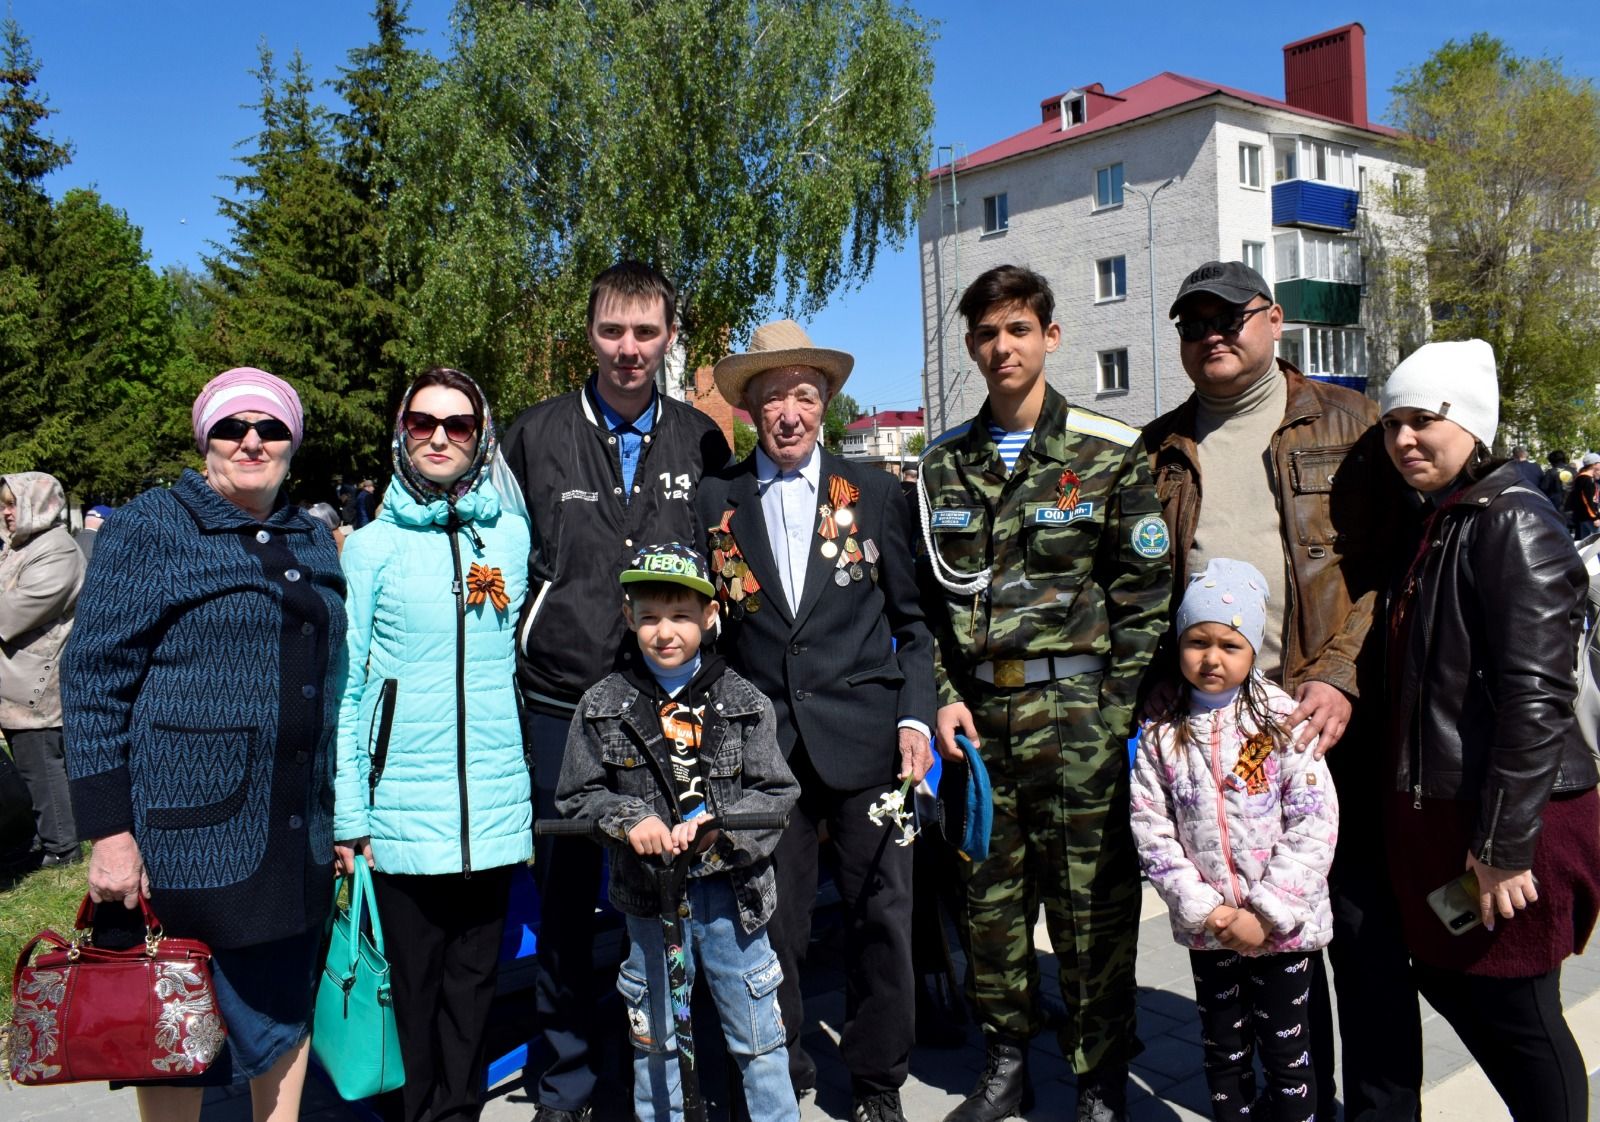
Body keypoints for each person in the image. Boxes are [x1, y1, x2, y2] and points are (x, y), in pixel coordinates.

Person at [1143, 260, 1413, 1122]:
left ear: (1275, 321)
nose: (1212, 335)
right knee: (1269, 946)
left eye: (1230, 317)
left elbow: (1393, 572)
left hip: (1329, 721)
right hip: (1225, 733)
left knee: (1364, 941)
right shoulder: (1160, 449)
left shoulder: (1352, 423)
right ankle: (1304, 1104)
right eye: (1193, 323)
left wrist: (1339, 676)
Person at [918, 266, 1169, 1122]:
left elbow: (1145, 592)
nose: (1003, 347)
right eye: (987, 334)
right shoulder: (942, 466)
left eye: (1018, 330)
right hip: (981, 726)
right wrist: (947, 695)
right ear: (971, 346)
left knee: (1093, 905)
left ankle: (1099, 1082)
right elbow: (932, 606)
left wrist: (1118, 708)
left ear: (1050, 337)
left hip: (1078, 723)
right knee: (988, 906)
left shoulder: (1108, 451)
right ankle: (1005, 1064)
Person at [62, 367, 346, 1122]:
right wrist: (110, 835)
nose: (251, 441)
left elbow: (335, 680)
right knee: (172, 1028)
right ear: (205, 438)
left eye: (271, 428)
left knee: (283, 1017)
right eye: (232, 427)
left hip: (292, 836)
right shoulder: (152, 526)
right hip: (182, 844)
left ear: (292, 443)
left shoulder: (311, 536)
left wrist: (340, 814)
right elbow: (93, 680)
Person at [502, 260, 731, 1122]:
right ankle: (562, 1087)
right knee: (561, 911)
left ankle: (676, 1079)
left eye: (646, 332)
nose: (628, 350)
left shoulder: (703, 439)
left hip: (664, 706)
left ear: (670, 337)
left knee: (675, 897)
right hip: (559, 706)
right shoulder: (532, 436)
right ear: (587, 334)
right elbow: (504, 568)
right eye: (612, 331)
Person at [697, 319, 935, 1122]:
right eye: (772, 399)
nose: (789, 414)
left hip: (868, 743)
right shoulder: (716, 500)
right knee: (774, 924)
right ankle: (784, 1067)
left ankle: (876, 1082)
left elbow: (914, 624)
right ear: (750, 412)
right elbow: (705, 633)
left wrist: (916, 719)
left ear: (827, 403)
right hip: (764, 753)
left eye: (804, 395)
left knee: (881, 920)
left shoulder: (872, 492)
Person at [1380, 339, 1600, 1122]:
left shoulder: (1513, 522)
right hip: (1469, 816)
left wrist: (1504, 848)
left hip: (1520, 824)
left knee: (1523, 1020)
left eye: (1423, 421)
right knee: (1459, 981)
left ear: (1471, 424)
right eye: (1392, 423)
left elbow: (1537, 697)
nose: (1404, 439)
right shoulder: (1451, 517)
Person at [333, 367, 532, 1122]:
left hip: (489, 813)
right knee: (410, 994)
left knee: (474, 991)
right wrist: (350, 815)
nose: (440, 438)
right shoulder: (372, 548)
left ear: (481, 439)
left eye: (458, 425)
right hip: (400, 819)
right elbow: (350, 689)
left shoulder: (509, 537)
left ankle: (462, 1114)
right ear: (401, 433)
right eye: (423, 423)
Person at [556, 543, 800, 1122]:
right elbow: (576, 797)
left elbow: (778, 794)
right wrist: (627, 819)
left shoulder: (745, 703)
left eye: (681, 616)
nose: (665, 632)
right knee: (657, 1049)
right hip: (648, 906)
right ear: (629, 619)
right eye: (649, 617)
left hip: (732, 906)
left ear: (710, 616)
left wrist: (726, 829)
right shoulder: (602, 705)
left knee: (761, 1046)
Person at [1131, 558, 1338, 1122]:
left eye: (1230, 644)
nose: (1212, 658)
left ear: (1253, 650)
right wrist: (1207, 912)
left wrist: (1266, 913)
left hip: (1283, 931)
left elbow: (1314, 823)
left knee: (1289, 1058)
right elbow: (1152, 829)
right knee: (1223, 1053)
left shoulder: (1282, 722)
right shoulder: (1161, 730)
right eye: (1198, 641)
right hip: (1212, 931)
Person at [1, 472, 87, 867]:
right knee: (30, 764)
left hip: (38, 680)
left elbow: (18, 610)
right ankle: (46, 837)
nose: (5, 513)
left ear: (38, 504)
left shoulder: (57, 550)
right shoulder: (22, 547)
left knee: (42, 764)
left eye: (12, 504)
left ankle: (62, 847)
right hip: (16, 678)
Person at [1566, 452, 1600, 539]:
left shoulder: (1581, 477)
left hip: (1583, 516)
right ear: (1593, 465)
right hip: (1589, 517)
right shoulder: (1587, 479)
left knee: (1584, 543)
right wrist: (1594, 517)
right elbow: (1587, 501)